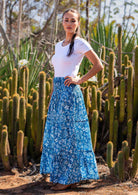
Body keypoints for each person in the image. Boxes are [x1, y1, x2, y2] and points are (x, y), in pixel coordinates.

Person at [40, 8, 103, 191]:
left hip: (69, 92)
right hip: (58, 92)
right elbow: (56, 72)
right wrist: (52, 94)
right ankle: (65, 177)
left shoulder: (80, 43)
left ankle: (68, 179)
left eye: (73, 20)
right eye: (66, 20)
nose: (69, 23)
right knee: (58, 136)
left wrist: (80, 80)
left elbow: (98, 65)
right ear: (62, 22)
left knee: (69, 137)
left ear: (78, 24)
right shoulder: (58, 45)